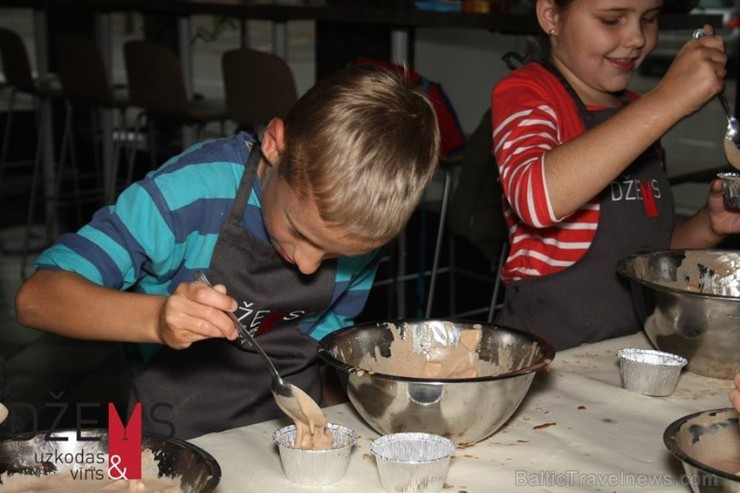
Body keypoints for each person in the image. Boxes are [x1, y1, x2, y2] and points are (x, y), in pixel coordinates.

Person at [14, 65, 441, 439]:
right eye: (297, 231)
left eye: (332, 255)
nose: (309, 266)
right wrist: (156, 319)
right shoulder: (191, 195)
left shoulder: (356, 229)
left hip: (288, 431)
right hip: (175, 434)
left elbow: (323, 347)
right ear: (276, 144)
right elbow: (37, 298)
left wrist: (335, 430)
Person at [490, 0, 740, 351]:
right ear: (550, 15)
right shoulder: (528, 93)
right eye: (611, 20)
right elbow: (535, 199)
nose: (637, 37)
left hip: (635, 351)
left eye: (649, 18)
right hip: (550, 361)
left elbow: (653, 259)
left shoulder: (636, 114)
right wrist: (667, 100)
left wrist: (709, 225)